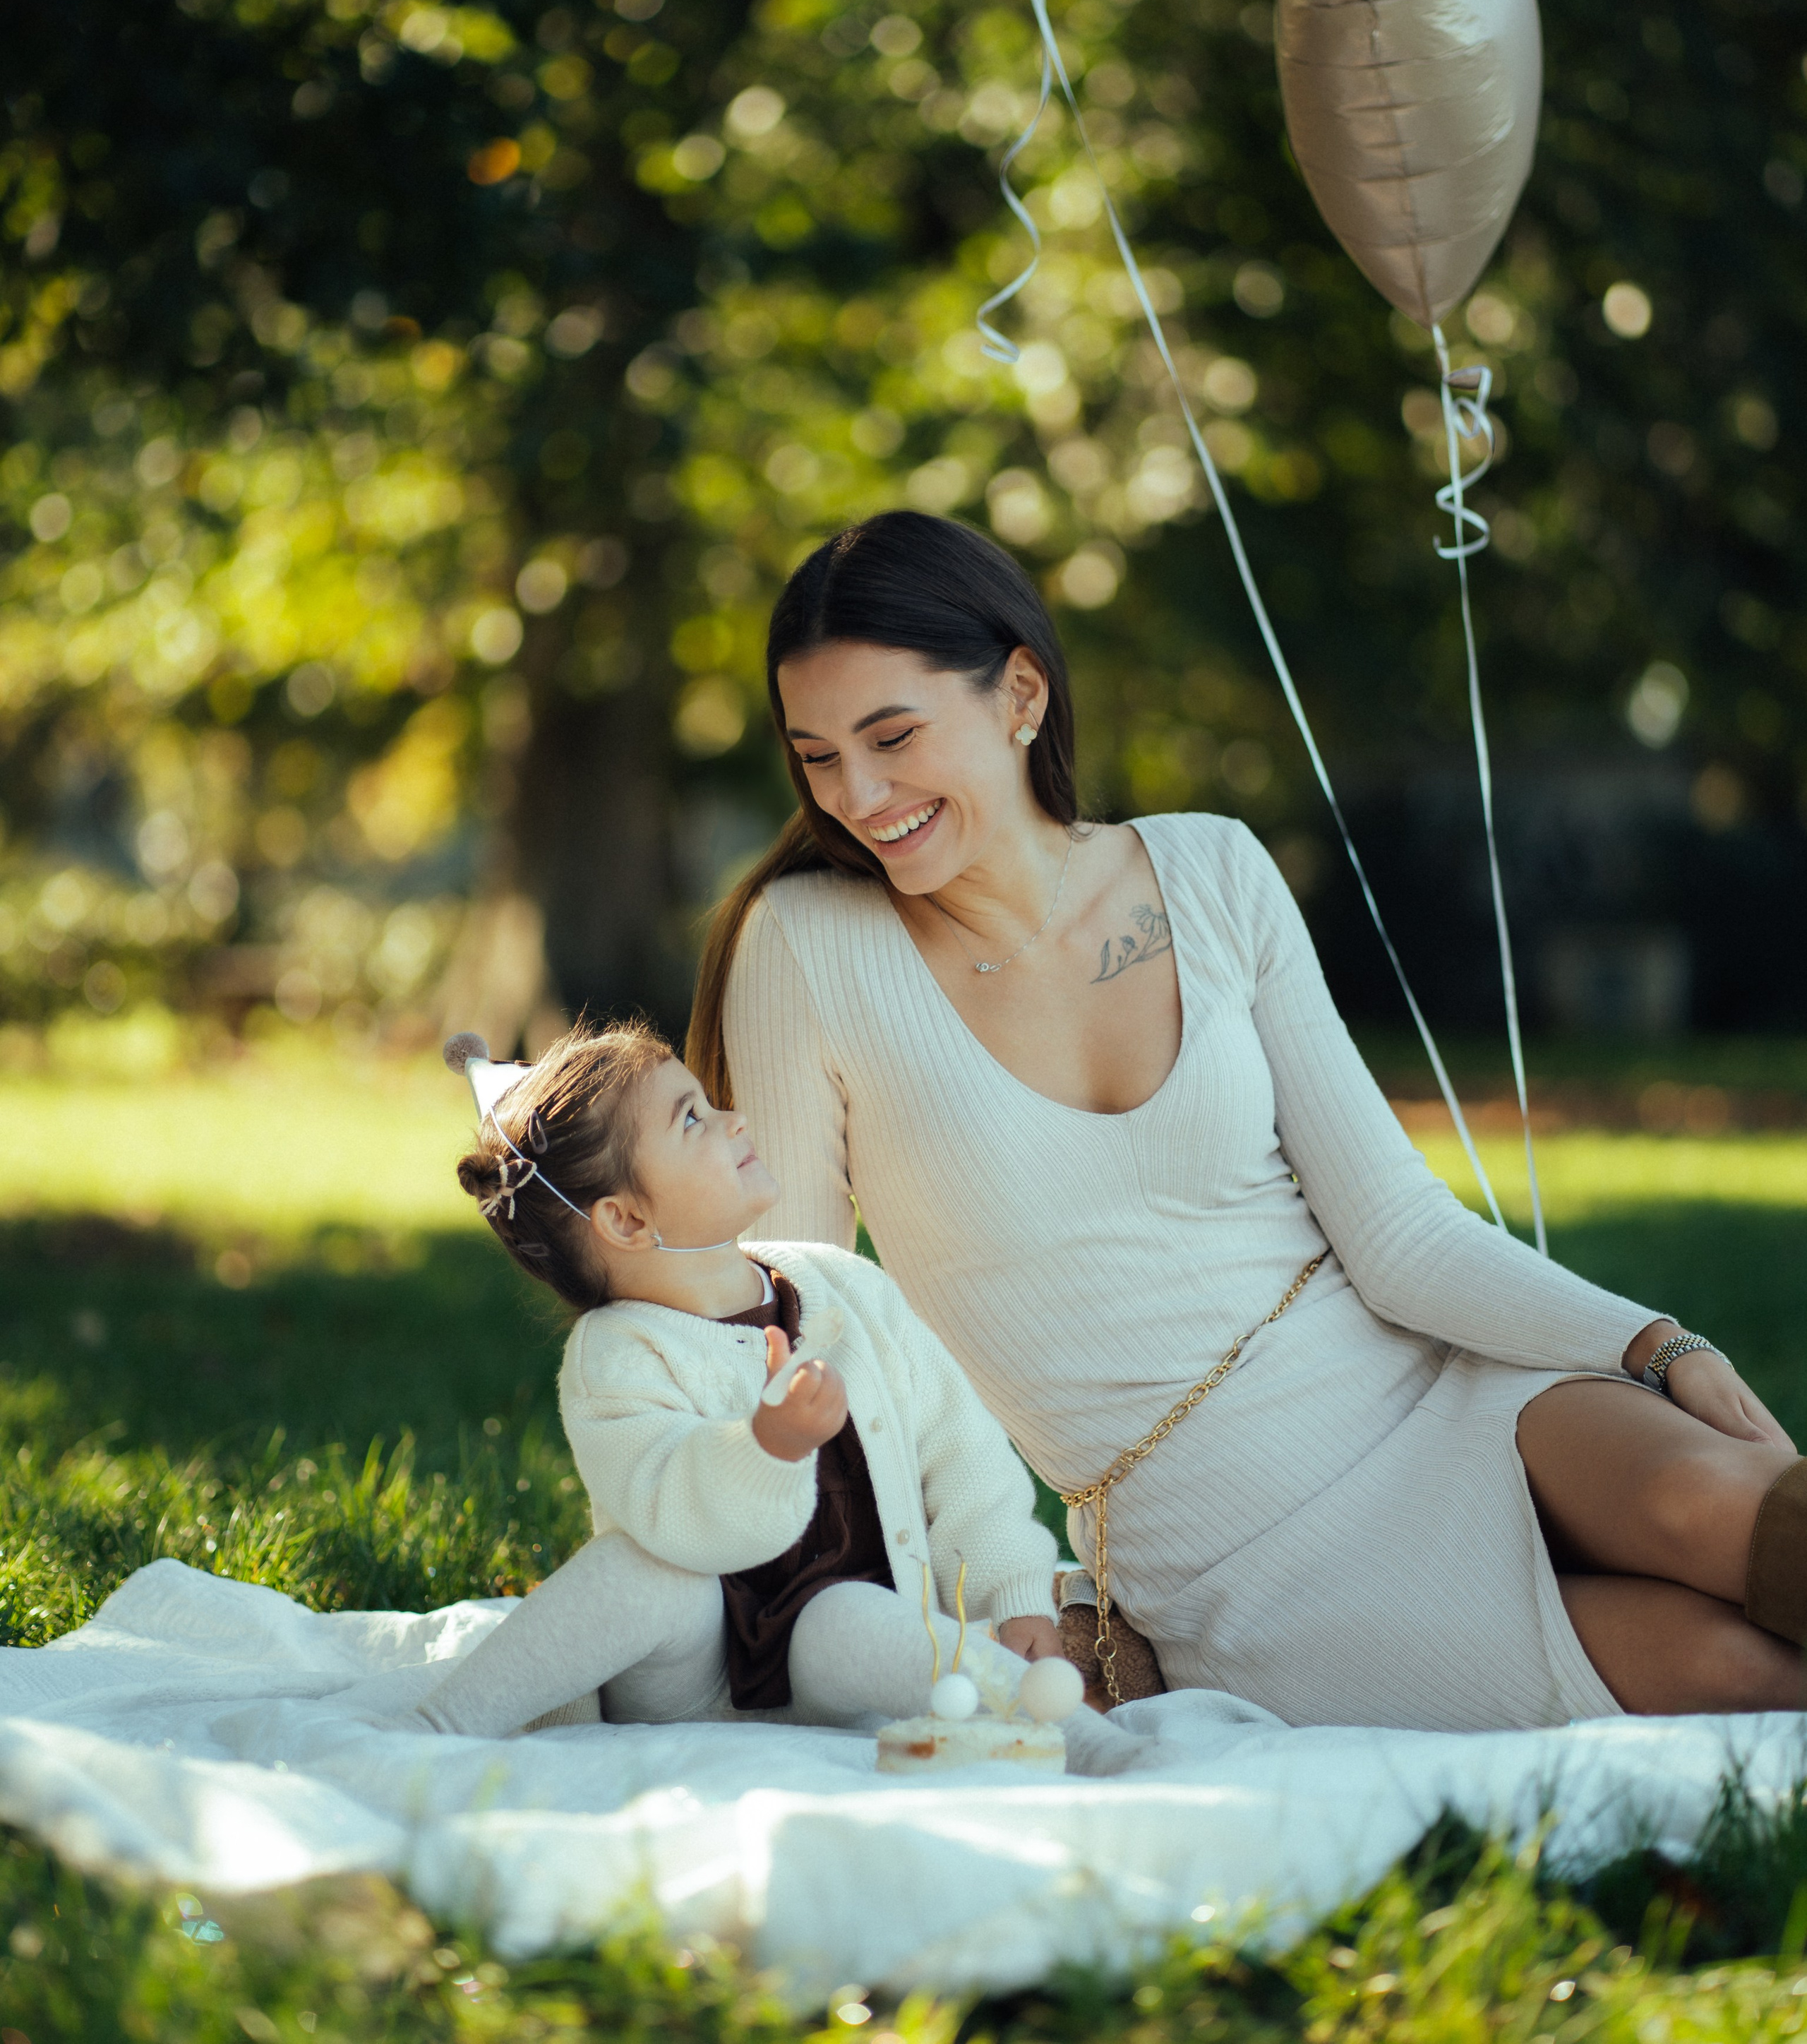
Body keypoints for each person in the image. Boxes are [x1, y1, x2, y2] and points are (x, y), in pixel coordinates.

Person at [687, 509, 1805, 1730]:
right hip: (1235, 1542)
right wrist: (935, 1598)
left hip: (1436, 1390)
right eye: (818, 756)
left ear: (1020, 692)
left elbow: (1401, 1234)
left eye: (891, 736)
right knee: (1738, 1676)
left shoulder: (1211, 870)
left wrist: (1655, 1344)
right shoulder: (806, 947)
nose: (859, 793)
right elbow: (796, 1325)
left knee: (1721, 1506)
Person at [409, 1020, 1129, 1768]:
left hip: (835, 1660)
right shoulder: (618, 1356)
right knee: (642, 1570)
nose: (734, 1117)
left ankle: (1086, 1742)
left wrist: (1013, 1593)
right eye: (692, 1117)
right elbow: (671, 1508)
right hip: (692, 1679)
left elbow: (959, 1449)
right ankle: (435, 1728)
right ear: (625, 1219)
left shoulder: (844, 1285)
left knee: (849, 1612)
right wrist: (767, 1447)